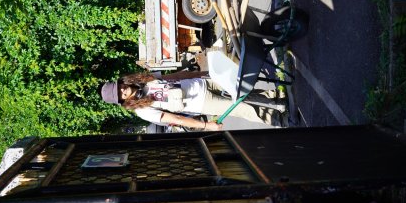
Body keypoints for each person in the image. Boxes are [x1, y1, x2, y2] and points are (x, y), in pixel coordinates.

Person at [99, 70, 282, 131]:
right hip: (203, 102)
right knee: (242, 109)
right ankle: (281, 119)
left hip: (203, 83)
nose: (122, 90)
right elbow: (176, 119)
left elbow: (174, 76)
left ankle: (276, 96)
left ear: (121, 82)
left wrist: (201, 73)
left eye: (119, 87)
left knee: (241, 90)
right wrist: (206, 125)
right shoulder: (143, 111)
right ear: (122, 101)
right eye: (120, 95)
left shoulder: (142, 79)